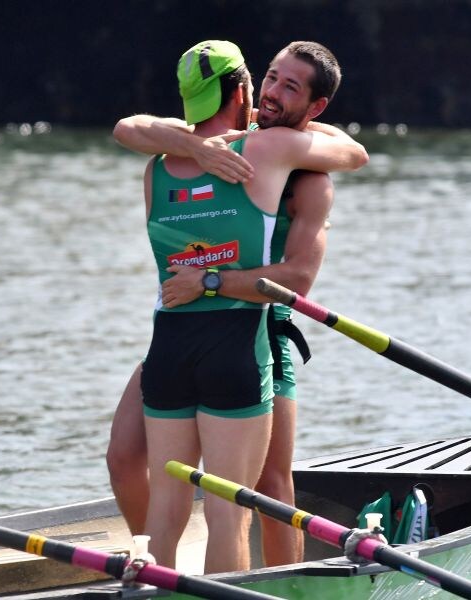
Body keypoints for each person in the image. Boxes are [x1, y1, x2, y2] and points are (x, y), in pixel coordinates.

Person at [108, 40, 364, 568]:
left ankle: (285, 580)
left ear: (314, 108)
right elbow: (129, 127)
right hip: (201, 333)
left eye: (290, 86)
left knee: (269, 483)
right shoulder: (199, 149)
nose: (273, 92)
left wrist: (209, 281)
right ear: (247, 85)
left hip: (261, 320)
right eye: (270, 77)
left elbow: (352, 159)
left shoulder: (299, 164)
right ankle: (168, 570)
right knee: (177, 485)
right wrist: (201, 147)